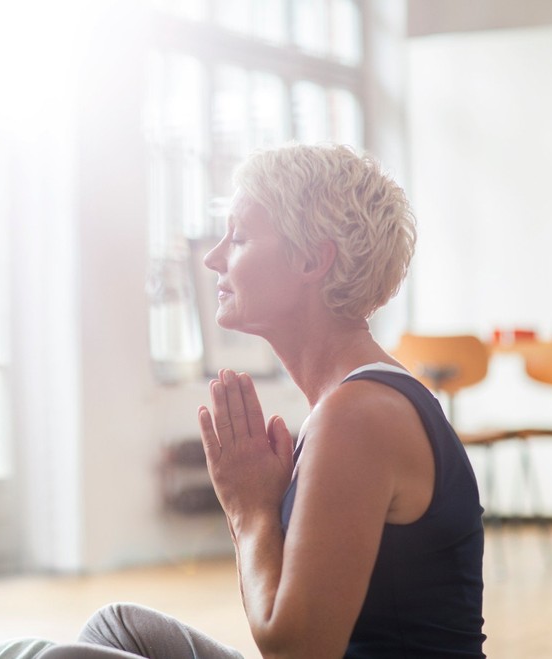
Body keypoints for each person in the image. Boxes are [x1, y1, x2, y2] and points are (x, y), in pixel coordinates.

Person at [41, 143, 486, 658]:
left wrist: (249, 510)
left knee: (60, 658)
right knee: (117, 629)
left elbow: (297, 650)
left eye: (240, 237)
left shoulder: (358, 416)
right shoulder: (357, 402)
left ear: (312, 259)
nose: (212, 257)